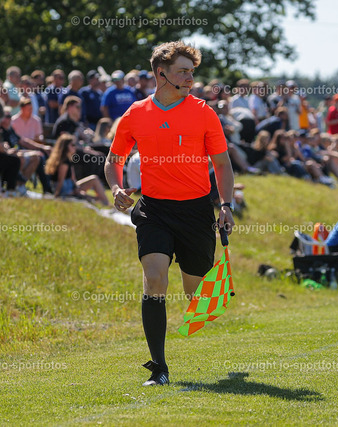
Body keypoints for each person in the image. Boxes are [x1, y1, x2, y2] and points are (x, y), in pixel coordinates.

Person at [104, 41, 235, 387]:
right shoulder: (136, 113)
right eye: (183, 71)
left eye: (192, 72)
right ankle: (159, 368)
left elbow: (222, 164)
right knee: (155, 280)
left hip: (195, 210)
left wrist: (226, 205)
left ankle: (210, 295)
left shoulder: (204, 112)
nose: (190, 78)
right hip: (154, 210)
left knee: (196, 297)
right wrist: (116, 188)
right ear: (161, 74)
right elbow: (114, 160)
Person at [45, 134, 108, 205]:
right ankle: (106, 203)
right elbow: (60, 181)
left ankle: (106, 202)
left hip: (71, 187)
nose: (75, 147)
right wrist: (56, 196)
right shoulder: (64, 163)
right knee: (95, 198)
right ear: (65, 147)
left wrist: (76, 189)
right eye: (72, 145)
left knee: (94, 179)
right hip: (66, 190)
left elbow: (73, 178)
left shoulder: (68, 160)